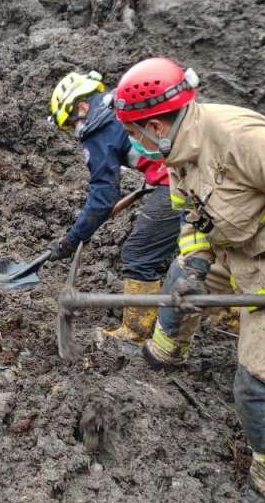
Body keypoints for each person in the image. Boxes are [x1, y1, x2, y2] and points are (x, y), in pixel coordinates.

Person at [112, 58, 265, 503]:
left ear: (154, 125)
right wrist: (193, 263)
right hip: (236, 251)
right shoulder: (178, 153)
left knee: (260, 386)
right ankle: (166, 353)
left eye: (134, 134)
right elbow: (192, 218)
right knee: (178, 284)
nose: (135, 144)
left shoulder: (242, 140)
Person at [46, 71, 180, 344]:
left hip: (176, 181)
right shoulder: (121, 101)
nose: (74, 130)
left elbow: (103, 197)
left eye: (71, 122)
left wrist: (73, 239)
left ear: (82, 106)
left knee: (138, 253)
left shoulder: (97, 128)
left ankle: (135, 334)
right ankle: (231, 316)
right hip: (192, 172)